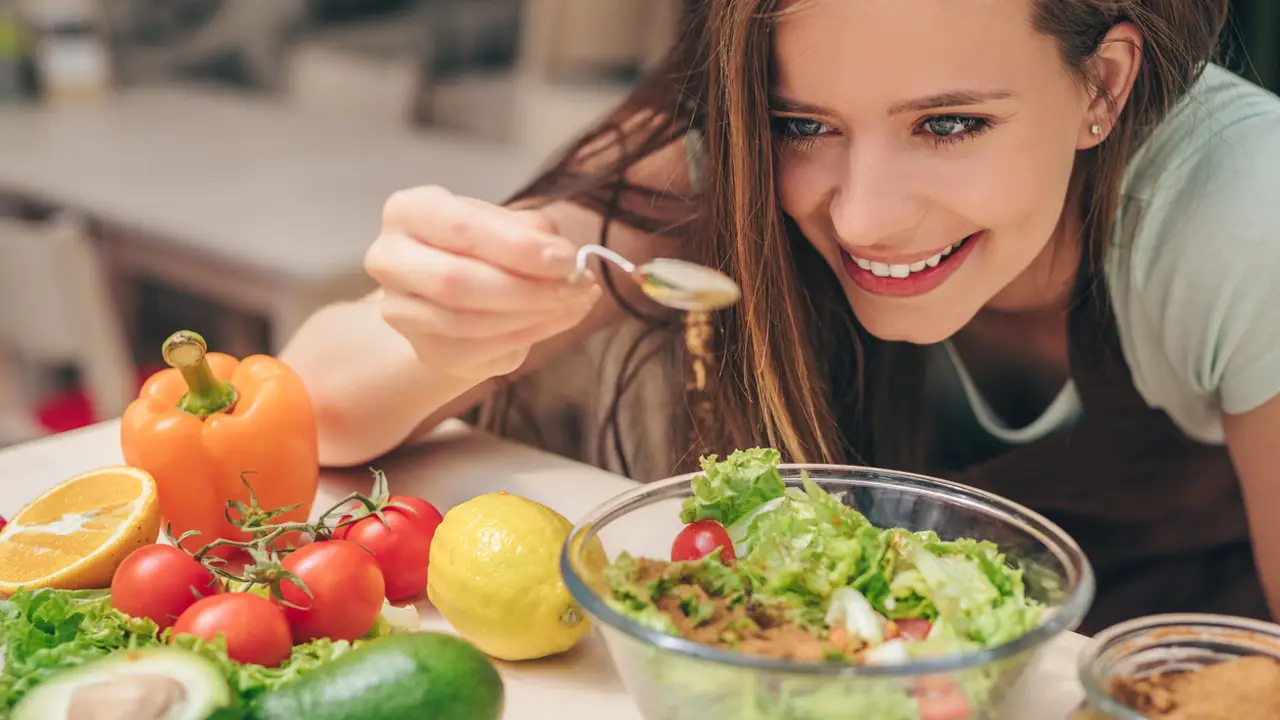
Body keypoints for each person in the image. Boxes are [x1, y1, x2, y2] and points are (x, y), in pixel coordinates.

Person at [281, 0, 1280, 633]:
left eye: (948, 124)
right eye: (803, 124)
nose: (862, 216)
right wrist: (443, 317)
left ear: (1101, 85)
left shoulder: (1241, 214)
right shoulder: (726, 156)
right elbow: (318, 408)